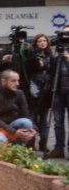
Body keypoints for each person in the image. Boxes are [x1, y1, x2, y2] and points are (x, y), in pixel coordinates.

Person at [0, 70, 37, 146]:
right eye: (13, 81)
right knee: (0, 141)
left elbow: (26, 115)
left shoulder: (19, 93)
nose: (17, 84)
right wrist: (14, 132)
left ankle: (17, 148)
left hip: (12, 126)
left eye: (17, 81)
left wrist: (33, 129)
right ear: (3, 81)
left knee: (27, 122)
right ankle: (4, 147)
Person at [27, 34, 52, 152]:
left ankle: (43, 143)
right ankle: (31, 143)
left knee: (43, 118)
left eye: (44, 41)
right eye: (40, 41)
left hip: (46, 89)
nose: (42, 43)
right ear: (36, 43)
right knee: (32, 117)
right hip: (34, 87)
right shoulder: (32, 55)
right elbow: (30, 67)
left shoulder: (51, 55)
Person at [47, 25, 69, 159]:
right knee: (58, 121)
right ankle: (58, 147)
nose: (66, 36)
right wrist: (57, 53)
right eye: (64, 34)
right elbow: (50, 69)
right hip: (58, 91)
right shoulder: (57, 51)